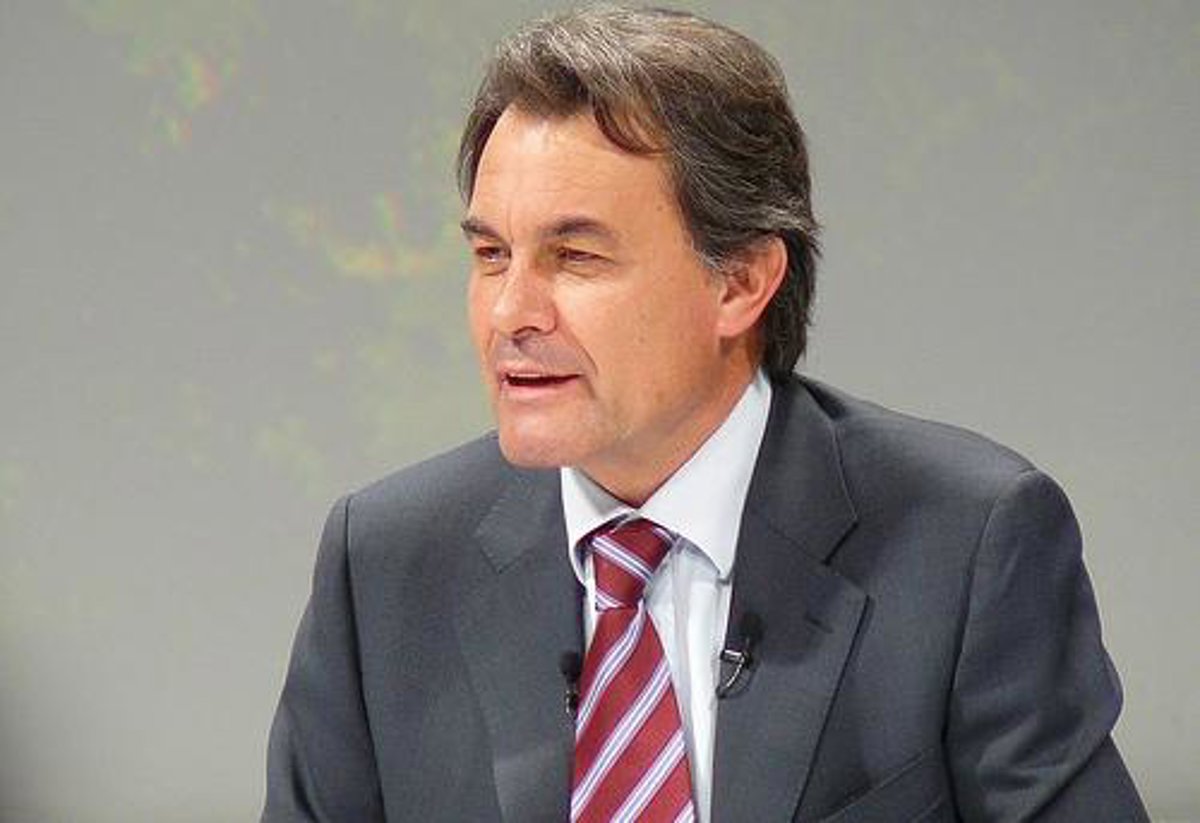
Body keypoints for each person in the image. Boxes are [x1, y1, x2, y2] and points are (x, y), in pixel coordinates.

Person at [262, 6, 1147, 821]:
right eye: (492, 254)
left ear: (741, 282)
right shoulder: (384, 563)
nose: (510, 313)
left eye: (575, 256)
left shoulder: (966, 543)